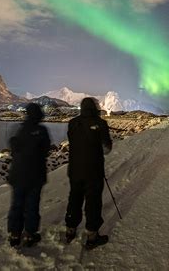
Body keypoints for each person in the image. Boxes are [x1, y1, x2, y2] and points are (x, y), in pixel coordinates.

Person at [65, 97, 113, 250]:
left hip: (75, 170)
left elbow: (72, 142)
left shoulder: (73, 123)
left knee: (74, 198)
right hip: (94, 171)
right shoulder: (101, 123)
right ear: (95, 107)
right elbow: (107, 149)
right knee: (93, 202)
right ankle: (92, 235)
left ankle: (70, 230)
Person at [7, 103, 51, 247]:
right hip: (35, 175)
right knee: (32, 205)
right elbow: (45, 151)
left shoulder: (17, 129)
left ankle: (14, 234)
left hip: (18, 173)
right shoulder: (42, 130)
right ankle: (30, 235)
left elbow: (13, 148)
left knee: (17, 204)